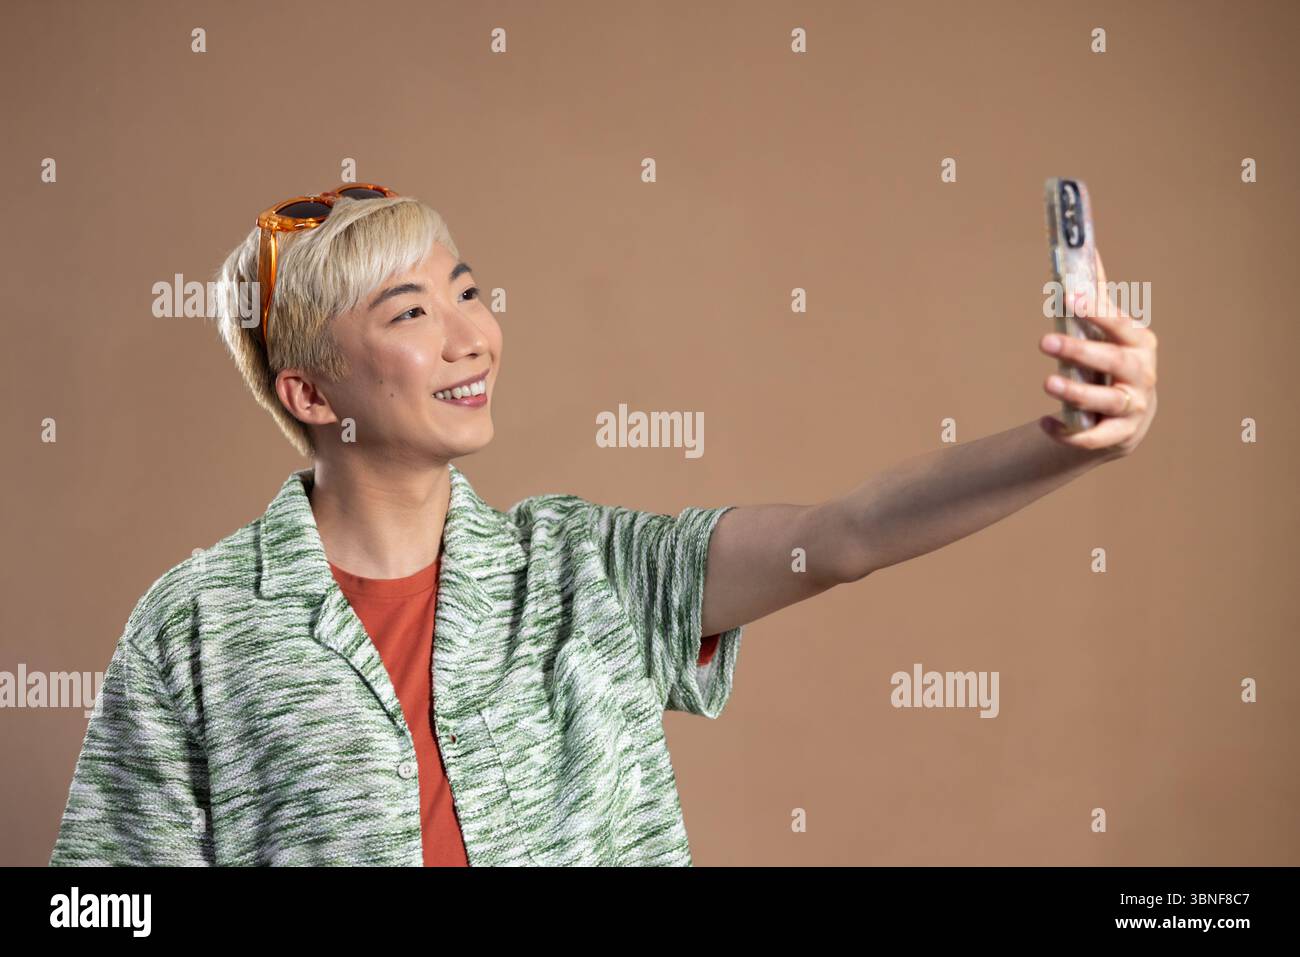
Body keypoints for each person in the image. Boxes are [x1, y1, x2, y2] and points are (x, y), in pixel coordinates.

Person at [49, 183, 1158, 866]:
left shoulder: (588, 571)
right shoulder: (197, 626)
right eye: (410, 313)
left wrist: (1070, 440)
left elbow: (849, 535)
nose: (469, 336)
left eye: (468, 292)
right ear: (311, 394)